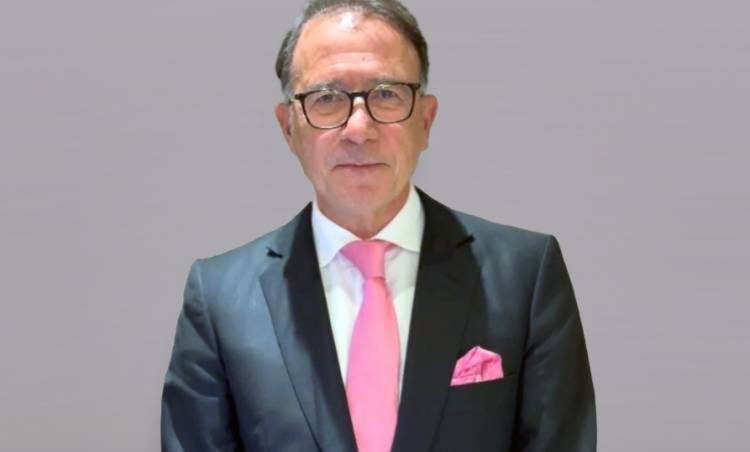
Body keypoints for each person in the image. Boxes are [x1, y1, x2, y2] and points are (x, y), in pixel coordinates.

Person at [160, 0, 596, 451]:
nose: (359, 128)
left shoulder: (524, 277)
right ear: (288, 127)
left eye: (387, 94)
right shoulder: (221, 299)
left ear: (425, 119)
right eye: (326, 99)